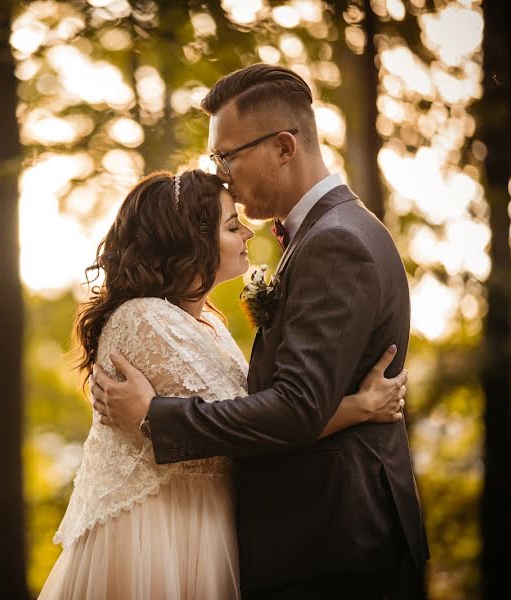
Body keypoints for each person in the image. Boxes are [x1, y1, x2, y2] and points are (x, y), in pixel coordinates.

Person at [91, 64, 429, 600]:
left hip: (328, 543)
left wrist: (154, 417)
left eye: (226, 155)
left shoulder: (335, 242)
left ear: (284, 147)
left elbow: (296, 407)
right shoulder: (323, 235)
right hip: (317, 541)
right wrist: (360, 407)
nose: (220, 174)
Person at [39, 167, 408, 599]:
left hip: (203, 522)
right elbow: (253, 428)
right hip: (159, 534)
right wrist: (359, 407)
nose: (249, 234)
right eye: (233, 226)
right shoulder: (144, 318)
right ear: (189, 242)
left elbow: (252, 413)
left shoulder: (206, 324)